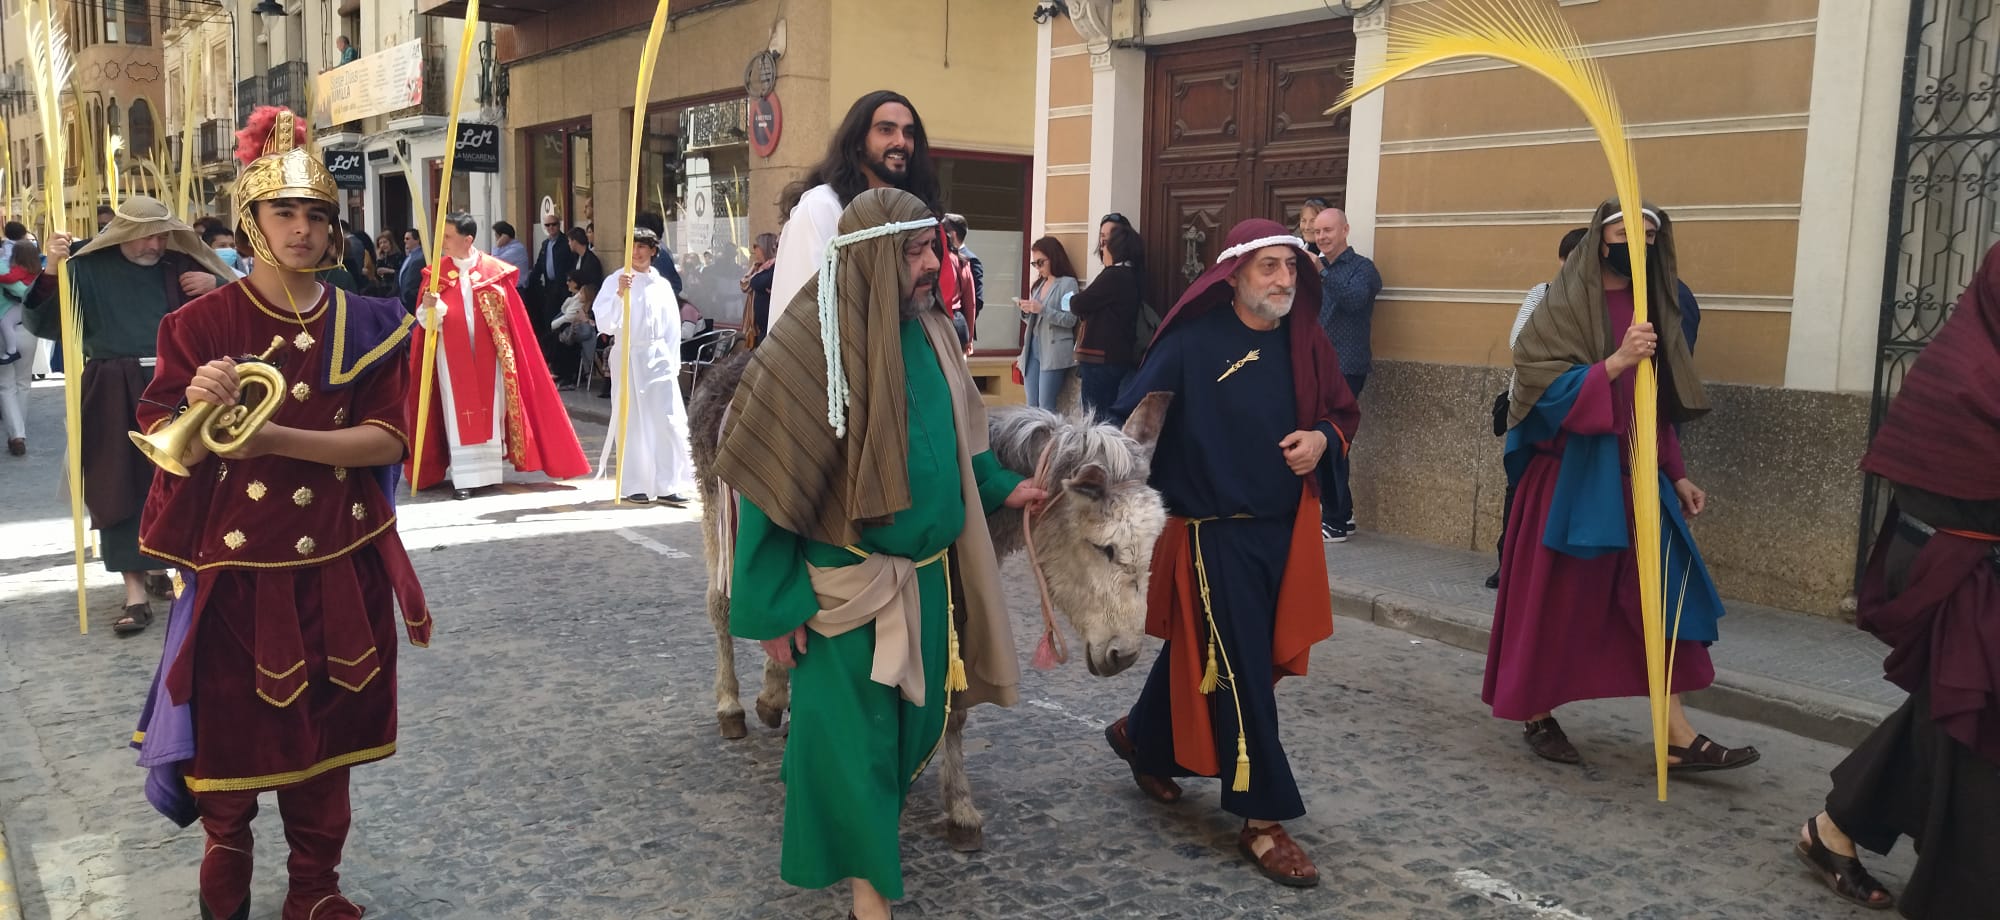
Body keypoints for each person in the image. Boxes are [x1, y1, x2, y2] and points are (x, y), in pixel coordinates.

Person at [128, 106, 430, 920]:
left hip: (338, 565)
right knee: (230, 740)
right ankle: (225, 874)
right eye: (284, 212)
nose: (301, 229)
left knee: (325, 748)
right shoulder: (197, 325)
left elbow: (385, 440)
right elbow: (170, 448)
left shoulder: (366, 322)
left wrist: (277, 437)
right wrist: (194, 404)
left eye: (316, 215)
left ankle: (314, 891)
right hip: (236, 575)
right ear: (251, 220)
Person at [718, 188, 1044, 920]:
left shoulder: (930, 331)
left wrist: (1000, 485)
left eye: (934, 248)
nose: (935, 264)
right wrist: (771, 605)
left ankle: (874, 867)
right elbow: (770, 486)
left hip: (925, 584)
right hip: (846, 594)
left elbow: (962, 438)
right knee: (854, 754)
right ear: (871, 255)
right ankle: (871, 900)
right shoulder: (808, 346)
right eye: (916, 251)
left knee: (905, 740)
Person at [1104, 218, 1358, 888]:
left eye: (1290, 268)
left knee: (1228, 655)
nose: (1282, 280)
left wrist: (1322, 441)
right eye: (1269, 266)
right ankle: (1263, 820)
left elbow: (1341, 412)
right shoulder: (1191, 341)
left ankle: (1143, 735)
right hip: (1213, 534)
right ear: (1235, 274)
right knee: (1241, 669)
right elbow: (1136, 424)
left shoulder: (1308, 341)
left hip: (1285, 530)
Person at [1487, 199, 1758, 771]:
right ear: (1598, 237)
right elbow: (1537, 391)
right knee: (1556, 600)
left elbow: (1653, 403)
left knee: (1663, 593)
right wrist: (1613, 362)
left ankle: (1676, 734)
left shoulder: (1651, 309)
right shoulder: (1559, 307)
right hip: (1568, 478)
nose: (1638, 242)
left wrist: (1676, 471)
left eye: (1650, 234)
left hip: (1638, 473)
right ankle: (1536, 710)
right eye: (1624, 231)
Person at [1792, 242, 2000, 918]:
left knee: (1956, 709)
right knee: (1977, 718)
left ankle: (1834, 828)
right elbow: (1948, 489)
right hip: (1957, 564)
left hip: (1976, 563)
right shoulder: (1964, 372)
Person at [24, 197, 230, 633]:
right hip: (112, 387)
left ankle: (169, 568)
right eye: (145, 235)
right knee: (115, 482)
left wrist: (214, 287)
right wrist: (50, 271)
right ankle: (134, 592)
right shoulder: (85, 266)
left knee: (180, 481)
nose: (155, 243)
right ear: (122, 233)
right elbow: (43, 325)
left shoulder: (180, 264)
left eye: (161, 233)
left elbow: (239, 307)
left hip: (176, 386)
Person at [405, 212, 588, 499]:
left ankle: (487, 473)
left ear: (468, 240)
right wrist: (431, 307)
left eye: (448, 237)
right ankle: (464, 477)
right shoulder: (435, 275)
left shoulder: (494, 272)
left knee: (490, 412)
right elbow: (426, 324)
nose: (443, 242)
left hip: (490, 359)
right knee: (457, 411)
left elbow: (512, 321)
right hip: (450, 360)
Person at [770, 90, 941, 324]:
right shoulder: (822, 207)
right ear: (858, 141)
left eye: (908, 133)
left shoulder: (911, 211)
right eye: (886, 130)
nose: (900, 141)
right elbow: (803, 317)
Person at [1486, 226, 1589, 589]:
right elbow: (1519, 342)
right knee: (1518, 486)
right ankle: (1508, 562)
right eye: (1568, 261)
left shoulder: (1597, 307)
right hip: (1530, 405)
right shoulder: (1541, 294)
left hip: (1574, 412)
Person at [593, 227, 696, 506]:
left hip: (658, 357)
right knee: (632, 421)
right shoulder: (616, 280)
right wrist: (618, 295)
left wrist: (673, 361)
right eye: (632, 246)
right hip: (629, 354)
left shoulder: (661, 284)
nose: (637, 252)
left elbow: (672, 326)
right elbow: (605, 324)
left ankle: (668, 483)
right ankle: (635, 483)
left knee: (667, 421)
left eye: (642, 246)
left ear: (653, 250)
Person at [1310, 206, 1381, 543]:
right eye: (1317, 232)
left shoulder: (1362, 269)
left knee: (1332, 441)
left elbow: (1354, 300)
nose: (1321, 237)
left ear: (1345, 230)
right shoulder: (1313, 268)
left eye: (1328, 231)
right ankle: (1343, 514)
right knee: (1326, 439)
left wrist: (1322, 269)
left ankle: (1336, 520)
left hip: (1347, 367)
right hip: (1317, 366)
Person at [1067, 221, 1146, 420]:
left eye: (1104, 245)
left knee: (1095, 417)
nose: (1101, 249)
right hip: (1118, 355)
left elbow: (1078, 303)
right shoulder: (1132, 275)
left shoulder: (1113, 275)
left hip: (1100, 358)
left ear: (1113, 249)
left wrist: (1075, 300)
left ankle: (1098, 452)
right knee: (1107, 413)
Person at [1015, 236, 1080, 412]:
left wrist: (1042, 309)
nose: (1038, 268)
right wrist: (1026, 311)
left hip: (1053, 350)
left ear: (1054, 257)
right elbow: (1034, 319)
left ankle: (1049, 439)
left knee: (1046, 405)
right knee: (1031, 405)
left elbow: (1070, 320)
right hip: (1033, 347)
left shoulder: (1068, 283)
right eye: (1034, 264)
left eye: (1041, 262)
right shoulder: (1039, 285)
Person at [0, 240, 40, 455]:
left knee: (6, 386)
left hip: (4, 330)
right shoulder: (39, 273)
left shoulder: (5, 268)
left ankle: (16, 434)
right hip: (28, 327)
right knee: (24, 383)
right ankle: (19, 432)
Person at [741, 232, 777, 347]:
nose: (754, 250)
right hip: (756, 324)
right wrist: (755, 268)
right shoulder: (758, 267)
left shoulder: (774, 266)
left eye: (756, 246)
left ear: (763, 247)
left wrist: (757, 277)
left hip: (769, 325)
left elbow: (758, 283)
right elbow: (744, 285)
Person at [397, 228, 426, 312]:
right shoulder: (410, 256)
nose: (405, 241)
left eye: (408, 238)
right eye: (404, 238)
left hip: (413, 300)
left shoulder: (420, 257)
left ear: (417, 240)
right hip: (404, 300)